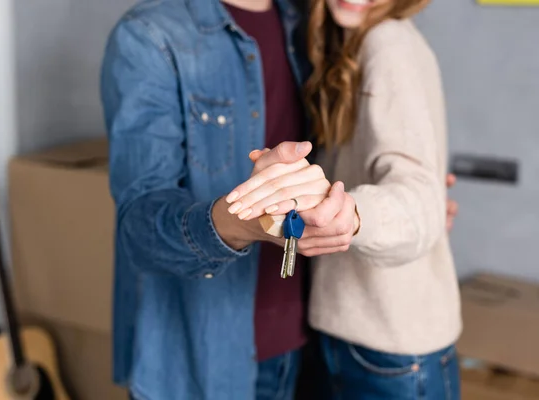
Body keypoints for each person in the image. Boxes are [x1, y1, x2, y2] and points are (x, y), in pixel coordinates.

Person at [100, 0, 458, 399]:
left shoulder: (311, 25)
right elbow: (139, 228)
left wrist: (398, 208)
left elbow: (371, 176)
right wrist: (240, 221)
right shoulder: (152, 36)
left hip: (312, 345)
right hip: (206, 356)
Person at [228, 0, 463, 398]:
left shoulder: (388, 44)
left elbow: (418, 197)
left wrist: (352, 215)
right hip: (355, 334)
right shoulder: (344, 42)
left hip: (389, 344)